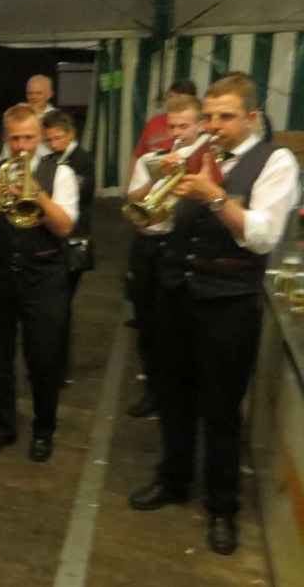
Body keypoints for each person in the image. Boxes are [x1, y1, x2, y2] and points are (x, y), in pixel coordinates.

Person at [128, 75, 299, 556]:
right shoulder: (194, 153)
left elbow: (262, 236)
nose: (214, 125)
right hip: (176, 292)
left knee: (221, 408)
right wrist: (159, 185)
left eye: (226, 116)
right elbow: (157, 223)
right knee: (174, 395)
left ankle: (223, 506)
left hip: (228, 301)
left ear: (251, 118)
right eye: (209, 116)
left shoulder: (276, 161)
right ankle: (173, 479)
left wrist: (214, 195)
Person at [0, 104, 78, 464]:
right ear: (5, 138)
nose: (21, 146)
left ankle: (44, 430)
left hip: (43, 276)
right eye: (15, 138)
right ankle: (2, 426)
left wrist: (35, 193)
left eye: (28, 138)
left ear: (40, 137)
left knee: (43, 358)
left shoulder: (60, 173)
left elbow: (64, 227)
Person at [124, 95, 204, 418]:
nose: (177, 132)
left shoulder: (205, 162)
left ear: (199, 126)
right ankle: (153, 390)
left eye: (184, 126)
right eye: (172, 126)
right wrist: (159, 176)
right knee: (148, 323)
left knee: (179, 326)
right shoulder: (151, 159)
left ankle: (181, 393)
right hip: (147, 244)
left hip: (180, 246)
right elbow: (133, 198)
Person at [42, 110, 95, 385]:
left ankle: (58, 369)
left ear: (71, 134)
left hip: (73, 240)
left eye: (58, 138)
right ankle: (48, 363)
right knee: (51, 308)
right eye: (49, 140)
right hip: (51, 240)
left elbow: (77, 194)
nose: (54, 144)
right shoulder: (48, 160)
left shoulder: (82, 160)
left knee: (61, 308)